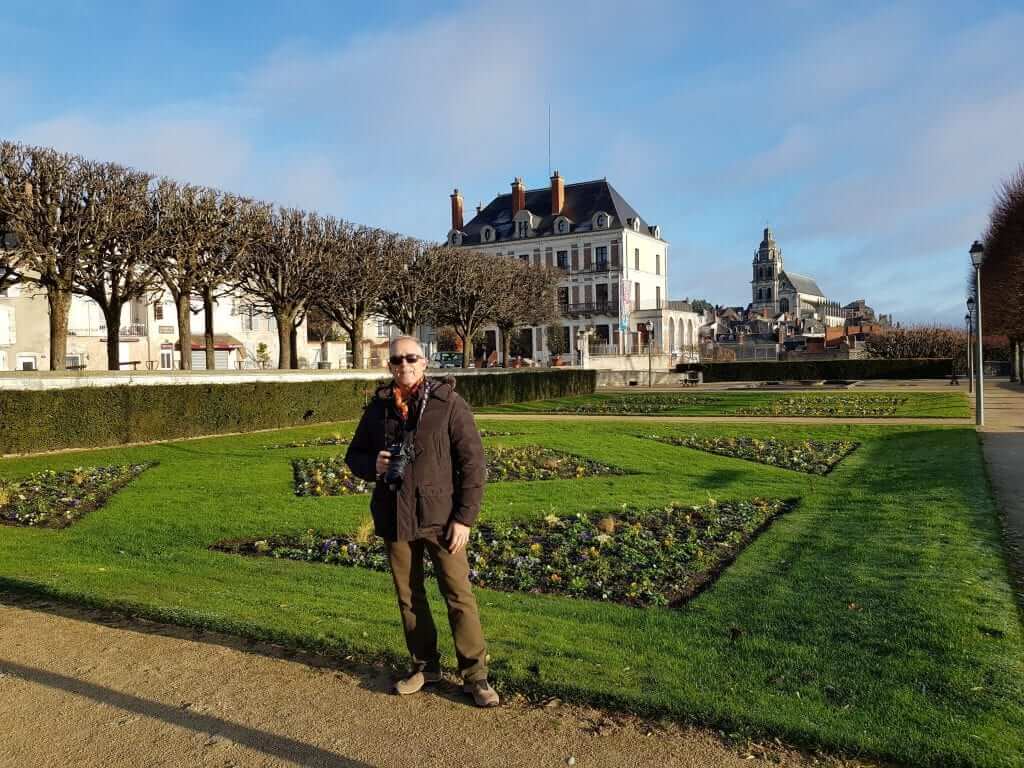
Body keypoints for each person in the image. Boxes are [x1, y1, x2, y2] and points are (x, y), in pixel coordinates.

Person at [344, 335, 499, 708]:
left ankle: (475, 676)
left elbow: (473, 465)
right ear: (390, 366)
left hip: (441, 518)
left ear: (424, 362)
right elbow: (355, 456)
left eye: (411, 358)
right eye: (397, 360)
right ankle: (425, 666)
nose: (404, 365)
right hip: (396, 517)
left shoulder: (449, 404)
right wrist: (373, 466)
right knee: (409, 597)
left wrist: (464, 519)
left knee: (458, 596)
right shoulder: (379, 408)